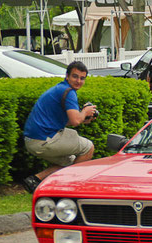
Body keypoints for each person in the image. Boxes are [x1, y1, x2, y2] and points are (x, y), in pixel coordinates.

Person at [22, 61, 98, 194]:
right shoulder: (69, 92)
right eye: (75, 76)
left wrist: (84, 118)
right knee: (88, 148)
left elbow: (65, 121)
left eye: (82, 78)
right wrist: (85, 111)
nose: (78, 81)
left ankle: (35, 180)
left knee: (70, 161)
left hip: (32, 140)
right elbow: (75, 121)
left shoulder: (60, 89)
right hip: (43, 140)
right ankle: (71, 187)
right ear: (67, 76)